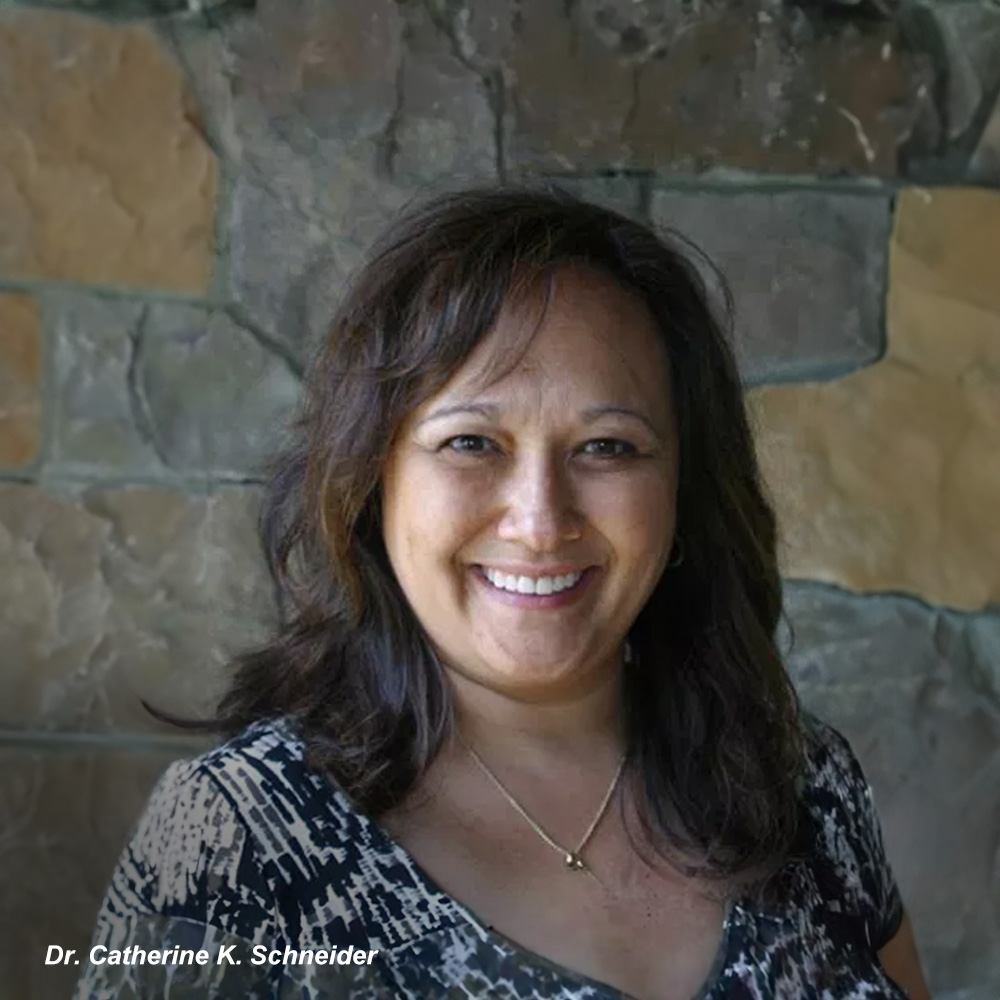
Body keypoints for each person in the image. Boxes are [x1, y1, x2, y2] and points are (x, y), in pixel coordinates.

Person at [73, 186, 931, 1000]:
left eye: (608, 447)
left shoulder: (802, 785)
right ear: (372, 482)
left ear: (682, 492)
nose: (540, 519)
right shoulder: (235, 839)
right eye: (473, 442)